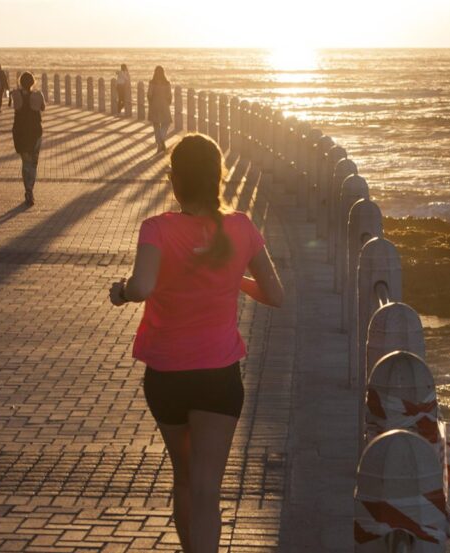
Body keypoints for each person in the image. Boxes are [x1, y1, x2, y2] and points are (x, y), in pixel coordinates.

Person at [108, 134, 283, 553]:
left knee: (184, 475)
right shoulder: (240, 226)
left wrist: (122, 291)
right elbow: (277, 295)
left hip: (167, 375)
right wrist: (230, 277)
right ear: (218, 178)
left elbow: (144, 285)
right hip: (218, 377)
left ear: (176, 180)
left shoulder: (157, 229)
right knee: (208, 487)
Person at [11, 72, 45, 207]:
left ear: (20, 82)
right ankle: (30, 189)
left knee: (25, 163)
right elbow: (43, 108)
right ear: (33, 82)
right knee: (33, 163)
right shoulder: (38, 95)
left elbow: (14, 105)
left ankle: (28, 190)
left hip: (20, 132)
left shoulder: (16, 95)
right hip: (35, 132)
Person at [147, 66, 173, 155]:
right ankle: (162, 139)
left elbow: (149, 94)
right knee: (166, 122)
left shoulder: (152, 82)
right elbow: (169, 95)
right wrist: (168, 102)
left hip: (154, 105)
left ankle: (159, 143)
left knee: (156, 125)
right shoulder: (167, 83)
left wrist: (150, 102)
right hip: (164, 105)